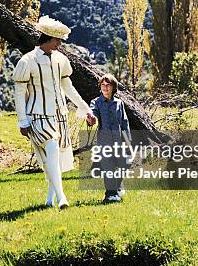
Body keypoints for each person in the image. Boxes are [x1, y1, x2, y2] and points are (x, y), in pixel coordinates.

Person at [13, 16, 96, 209]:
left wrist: (85, 109)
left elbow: (69, 88)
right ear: (47, 38)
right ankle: (62, 198)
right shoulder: (28, 61)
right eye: (57, 40)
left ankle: (49, 199)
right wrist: (22, 121)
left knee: (55, 158)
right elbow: (19, 93)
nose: (59, 44)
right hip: (37, 115)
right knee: (51, 150)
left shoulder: (61, 60)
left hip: (60, 114)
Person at [90, 73, 131, 203]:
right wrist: (91, 119)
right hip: (104, 142)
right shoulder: (96, 102)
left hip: (119, 141)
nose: (105, 88)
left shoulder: (119, 103)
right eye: (103, 85)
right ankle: (110, 195)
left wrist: (128, 140)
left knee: (125, 163)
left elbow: (124, 122)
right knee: (108, 168)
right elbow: (93, 114)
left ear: (114, 87)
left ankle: (118, 187)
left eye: (108, 85)